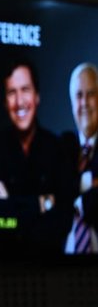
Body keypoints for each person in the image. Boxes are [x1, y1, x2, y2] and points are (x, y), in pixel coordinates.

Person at [0, 59, 69, 255]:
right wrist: (42, 203)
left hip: (51, 270)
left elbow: (63, 220)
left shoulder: (56, 148)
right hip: (2, 272)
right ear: (5, 102)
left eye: (25, 90)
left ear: (37, 96)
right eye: (12, 93)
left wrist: (11, 204)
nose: (19, 102)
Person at [63, 62, 98, 254]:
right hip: (57, 266)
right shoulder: (61, 147)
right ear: (72, 103)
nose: (84, 102)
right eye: (79, 95)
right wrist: (91, 181)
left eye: (91, 94)